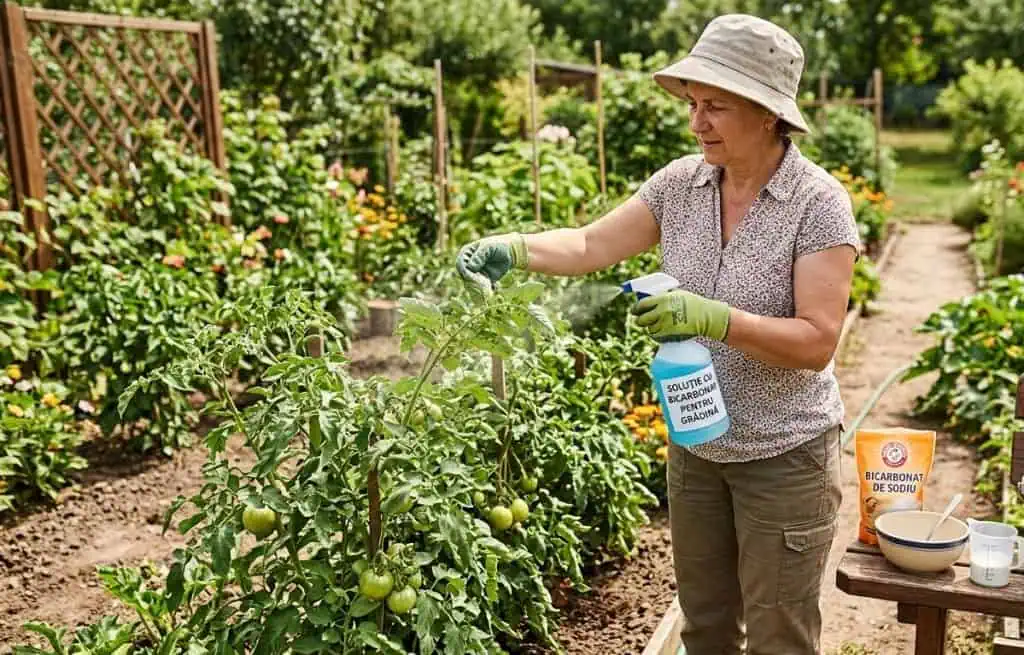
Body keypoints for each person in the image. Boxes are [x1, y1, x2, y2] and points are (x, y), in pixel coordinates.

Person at [456, 13, 859, 655]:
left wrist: (714, 318)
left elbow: (817, 340)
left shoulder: (819, 203)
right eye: (694, 104)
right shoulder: (681, 183)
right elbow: (591, 243)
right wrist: (513, 246)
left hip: (785, 456)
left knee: (781, 636)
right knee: (705, 628)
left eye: (715, 107)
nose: (696, 122)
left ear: (766, 113)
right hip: (697, 446)